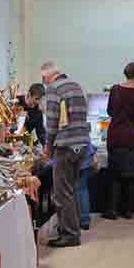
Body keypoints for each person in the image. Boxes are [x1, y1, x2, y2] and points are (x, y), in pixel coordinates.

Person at [41, 61, 90, 248]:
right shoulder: (76, 86)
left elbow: (52, 122)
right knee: (71, 190)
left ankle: (69, 235)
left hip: (65, 145)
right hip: (81, 144)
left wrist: (48, 146)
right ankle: (72, 230)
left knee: (61, 194)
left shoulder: (53, 89)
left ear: (46, 77)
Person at [104, 62, 134, 220]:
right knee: (131, 177)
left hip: (115, 137)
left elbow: (109, 111)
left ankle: (112, 210)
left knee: (115, 176)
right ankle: (128, 211)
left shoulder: (115, 89)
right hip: (132, 139)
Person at [79, 142, 98, 231]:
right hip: (85, 157)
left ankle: (74, 219)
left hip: (70, 159)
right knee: (83, 189)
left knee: (73, 191)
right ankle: (85, 220)